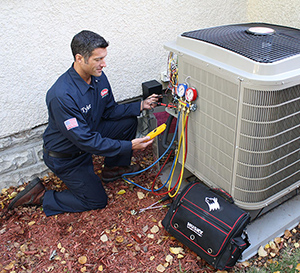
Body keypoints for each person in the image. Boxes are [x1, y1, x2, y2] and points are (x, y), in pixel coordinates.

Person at [7, 30, 159, 216]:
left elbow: (110, 110)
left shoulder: (99, 77)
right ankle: (40, 196)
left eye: (103, 58)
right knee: (96, 200)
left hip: (88, 136)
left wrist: (141, 105)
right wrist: (129, 146)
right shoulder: (62, 95)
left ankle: (113, 169)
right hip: (67, 156)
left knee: (127, 122)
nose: (104, 64)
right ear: (80, 58)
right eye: (98, 59)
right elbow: (86, 140)